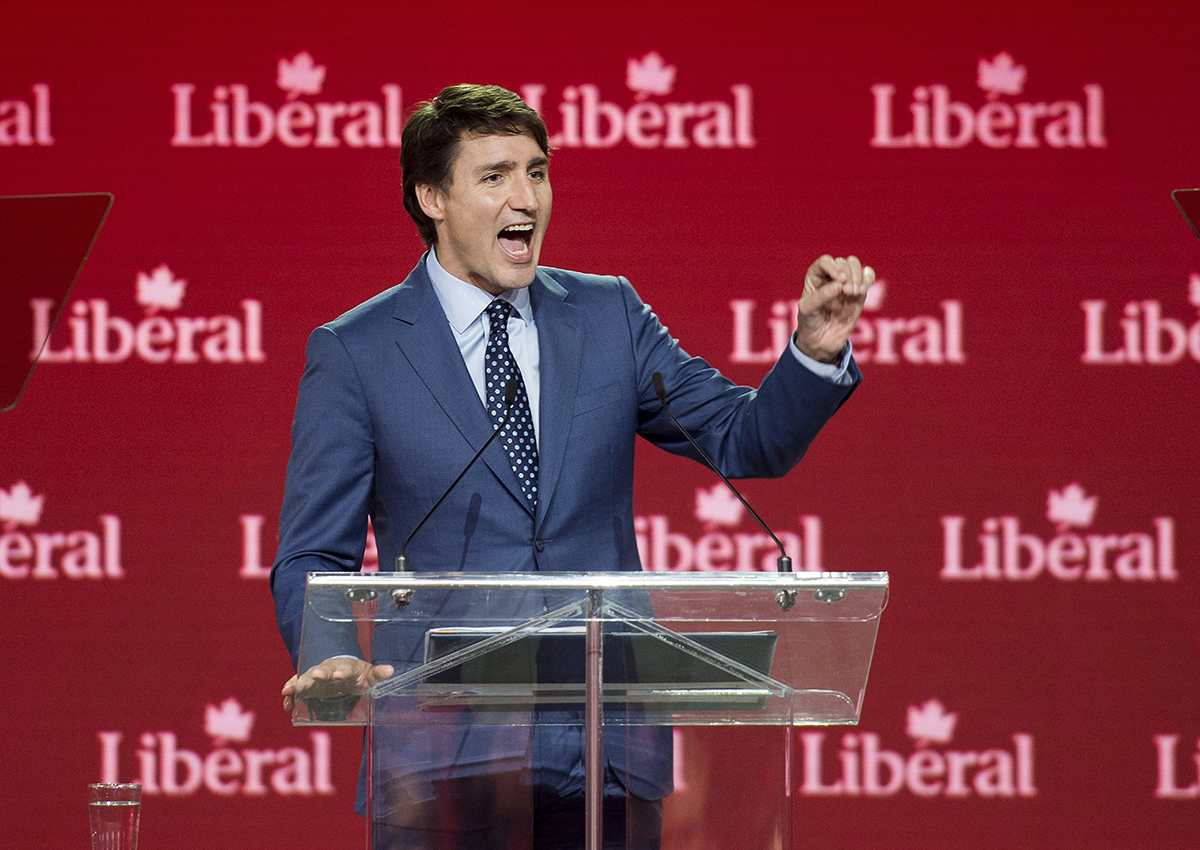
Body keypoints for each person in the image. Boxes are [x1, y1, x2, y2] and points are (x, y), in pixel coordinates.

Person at [270, 83, 873, 849]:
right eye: (494, 177)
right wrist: (329, 660)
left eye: (538, 171)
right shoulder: (356, 351)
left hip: (605, 747)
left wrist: (814, 355)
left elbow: (743, 438)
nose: (526, 199)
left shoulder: (608, 315)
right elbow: (311, 554)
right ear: (432, 197)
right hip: (444, 754)